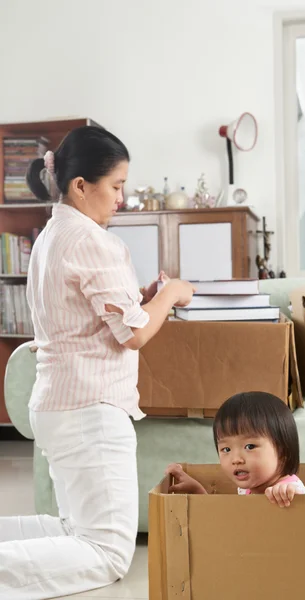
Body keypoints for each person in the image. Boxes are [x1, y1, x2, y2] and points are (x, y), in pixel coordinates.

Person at [0, 126, 195, 600]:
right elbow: (134, 334)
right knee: (106, 553)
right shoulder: (93, 241)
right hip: (90, 408)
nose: (122, 199)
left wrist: (142, 298)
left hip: (58, 403)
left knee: (73, 529)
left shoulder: (51, 235)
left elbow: (102, 314)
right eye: (116, 186)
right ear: (81, 185)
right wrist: (170, 295)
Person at [166, 391, 305, 506]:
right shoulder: (248, 489)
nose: (236, 459)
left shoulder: (289, 491)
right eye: (226, 449)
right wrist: (196, 490)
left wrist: (292, 498)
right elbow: (229, 524)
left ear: (282, 451)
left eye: (250, 446)